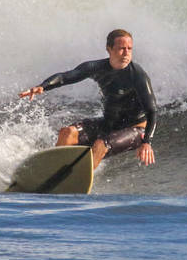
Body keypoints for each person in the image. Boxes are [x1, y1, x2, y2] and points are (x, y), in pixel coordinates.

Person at [20, 29, 157, 168]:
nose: (126, 53)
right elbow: (66, 77)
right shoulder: (96, 68)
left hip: (135, 129)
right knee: (67, 133)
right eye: (121, 48)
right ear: (109, 49)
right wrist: (43, 86)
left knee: (100, 144)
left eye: (129, 48)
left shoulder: (137, 75)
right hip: (109, 124)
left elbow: (152, 111)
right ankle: (53, 170)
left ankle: (76, 178)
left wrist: (147, 142)